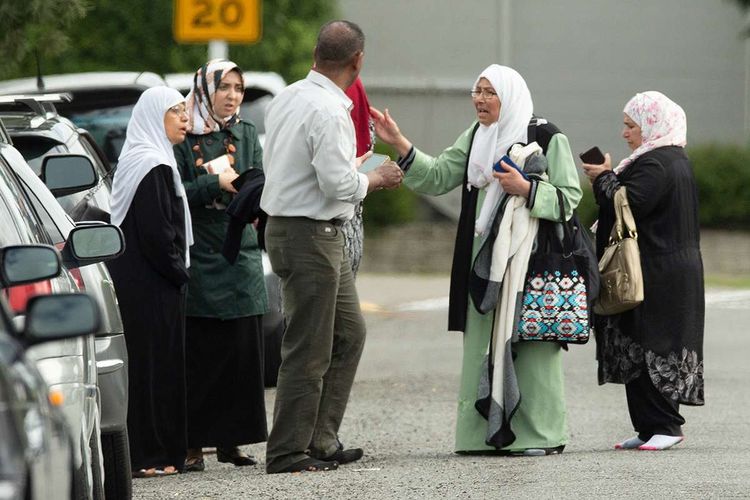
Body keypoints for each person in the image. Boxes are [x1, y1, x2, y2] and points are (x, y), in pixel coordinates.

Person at [371, 64, 582, 455]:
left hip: (530, 261)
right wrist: (400, 143)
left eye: (489, 92)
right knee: (482, 342)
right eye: (476, 91)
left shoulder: (547, 136)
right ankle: (478, 435)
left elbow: (569, 197)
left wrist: (526, 188)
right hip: (482, 259)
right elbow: (437, 176)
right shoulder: (476, 137)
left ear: (511, 96)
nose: (480, 99)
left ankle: (541, 435)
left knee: (532, 344)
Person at [260, 20, 404, 474]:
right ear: (357, 61)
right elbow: (337, 183)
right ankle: (287, 451)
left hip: (298, 228)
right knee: (309, 346)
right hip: (311, 235)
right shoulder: (327, 110)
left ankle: (319, 438)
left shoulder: (289, 96)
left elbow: (300, 165)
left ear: (316, 53)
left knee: (348, 333)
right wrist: (375, 177)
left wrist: (351, 167)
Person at [582, 91, 705, 451]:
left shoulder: (660, 162)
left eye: (631, 126)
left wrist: (604, 177)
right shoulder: (658, 159)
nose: (625, 133)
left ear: (651, 125)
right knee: (636, 342)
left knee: (657, 343)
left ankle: (666, 425)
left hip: (661, 271)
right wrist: (605, 178)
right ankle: (649, 426)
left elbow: (628, 203)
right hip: (656, 266)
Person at [173, 60, 268, 472]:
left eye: (238, 88)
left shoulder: (246, 132)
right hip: (202, 248)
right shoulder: (183, 134)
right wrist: (215, 183)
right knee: (202, 352)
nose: (231, 95)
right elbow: (176, 191)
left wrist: (252, 192)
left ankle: (233, 441)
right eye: (224, 87)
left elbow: (261, 177)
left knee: (242, 351)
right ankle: (193, 445)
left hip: (241, 249)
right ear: (205, 88)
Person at [108, 86, 193, 477]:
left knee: (154, 366)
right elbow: (158, 234)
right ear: (153, 117)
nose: (184, 118)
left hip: (147, 281)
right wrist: (180, 272)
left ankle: (156, 452)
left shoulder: (148, 158)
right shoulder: (151, 165)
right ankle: (150, 455)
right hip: (151, 284)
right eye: (175, 111)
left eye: (183, 109)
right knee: (152, 368)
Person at [341, 77, 375, 276]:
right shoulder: (331, 104)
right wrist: (375, 178)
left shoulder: (300, 96)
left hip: (341, 223)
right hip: (340, 224)